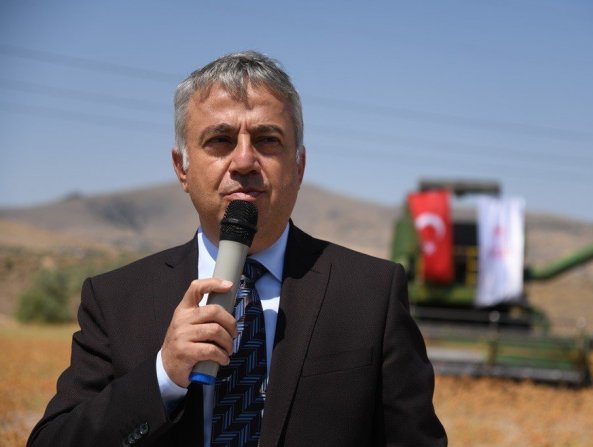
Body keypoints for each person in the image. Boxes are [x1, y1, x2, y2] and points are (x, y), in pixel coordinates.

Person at [27, 51, 447, 447]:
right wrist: (163, 376)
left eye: (267, 140)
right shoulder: (116, 299)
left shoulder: (370, 293)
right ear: (182, 167)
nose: (244, 161)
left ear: (299, 166)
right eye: (220, 140)